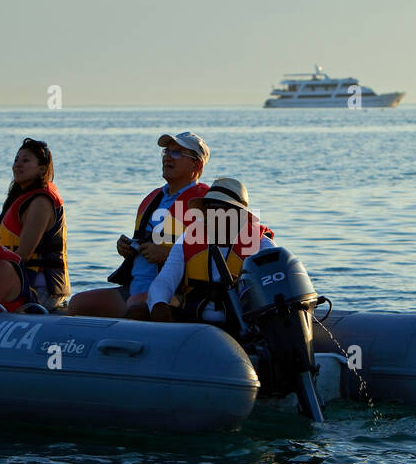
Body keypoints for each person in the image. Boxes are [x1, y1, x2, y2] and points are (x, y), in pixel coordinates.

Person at [67, 131, 210, 317]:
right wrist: (126, 247)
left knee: (136, 307)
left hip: (175, 294)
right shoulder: (152, 198)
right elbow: (143, 239)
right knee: (78, 304)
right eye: (166, 152)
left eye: (176, 153)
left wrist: (168, 254)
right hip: (135, 288)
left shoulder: (206, 202)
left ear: (196, 165)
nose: (167, 157)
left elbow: (216, 258)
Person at [144, 177, 275, 333]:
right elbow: (165, 280)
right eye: (207, 207)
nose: (209, 213)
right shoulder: (188, 238)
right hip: (194, 325)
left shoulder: (262, 244)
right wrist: (159, 305)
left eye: (217, 207)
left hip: (241, 328)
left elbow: (272, 293)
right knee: (138, 312)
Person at [0, 138, 70, 310]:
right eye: (16, 160)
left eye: (25, 160)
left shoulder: (40, 202)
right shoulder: (21, 198)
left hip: (39, 288)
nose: (17, 165)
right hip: (21, 280)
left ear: (42, 169)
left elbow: (23, 254)